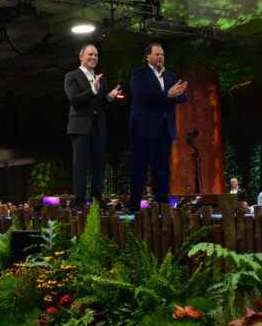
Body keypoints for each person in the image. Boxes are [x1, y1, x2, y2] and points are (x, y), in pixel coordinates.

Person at [128, 43, 188, 211]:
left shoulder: (170, 76)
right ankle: (134, 208)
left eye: (162, 54)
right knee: (139, 169)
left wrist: (181, 93)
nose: (160, 57)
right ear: (147, 56)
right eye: (157, 54)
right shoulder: (138, 75)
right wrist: (168, 94)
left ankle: (162, 208)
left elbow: (182, 99)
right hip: (143, 129)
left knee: (163, 170)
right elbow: (142, 96)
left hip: (165, 129)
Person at [64, 44, 122, 208]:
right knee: (80, 164)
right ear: (81, 57)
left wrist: (109, 97)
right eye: (90, 54)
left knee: (99, 164)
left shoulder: (101, 78)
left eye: (96, 55)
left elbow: (101, 104)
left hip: (98, 126)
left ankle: (97, 199)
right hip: (80, 126)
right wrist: (92, 89)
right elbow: (74, 100)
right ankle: (80, 201)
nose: (94, 57)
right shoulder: (71, 76)